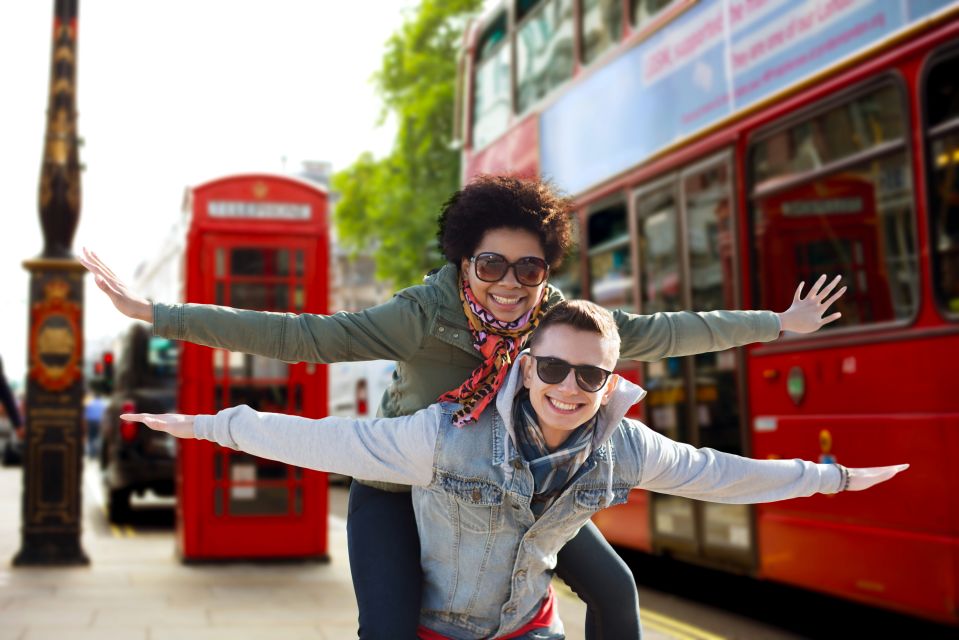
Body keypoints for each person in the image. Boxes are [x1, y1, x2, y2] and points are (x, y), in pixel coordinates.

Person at [80, 175, 847, 640]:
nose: (510, 283)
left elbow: (664, 332)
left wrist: (776, 324)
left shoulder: (560, 319)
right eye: (489, 264)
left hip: (509, 484)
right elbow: (304, 336)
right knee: (387, 627)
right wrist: (158, 314)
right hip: (403, 484)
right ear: (462, 261)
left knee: (615, 589)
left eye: (528, 266)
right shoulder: (423, 311)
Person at [124, 300, 907, 640]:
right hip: (438, 628)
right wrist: (204, 426)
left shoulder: (622, 444)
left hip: (528, 627)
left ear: (611, 380)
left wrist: (829, 476)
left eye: (590, 377)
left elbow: (717, 471)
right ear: (525, 366)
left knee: (616, 589)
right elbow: (323, 440)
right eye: (555, 371)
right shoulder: (442, 434)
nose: (570, 389)